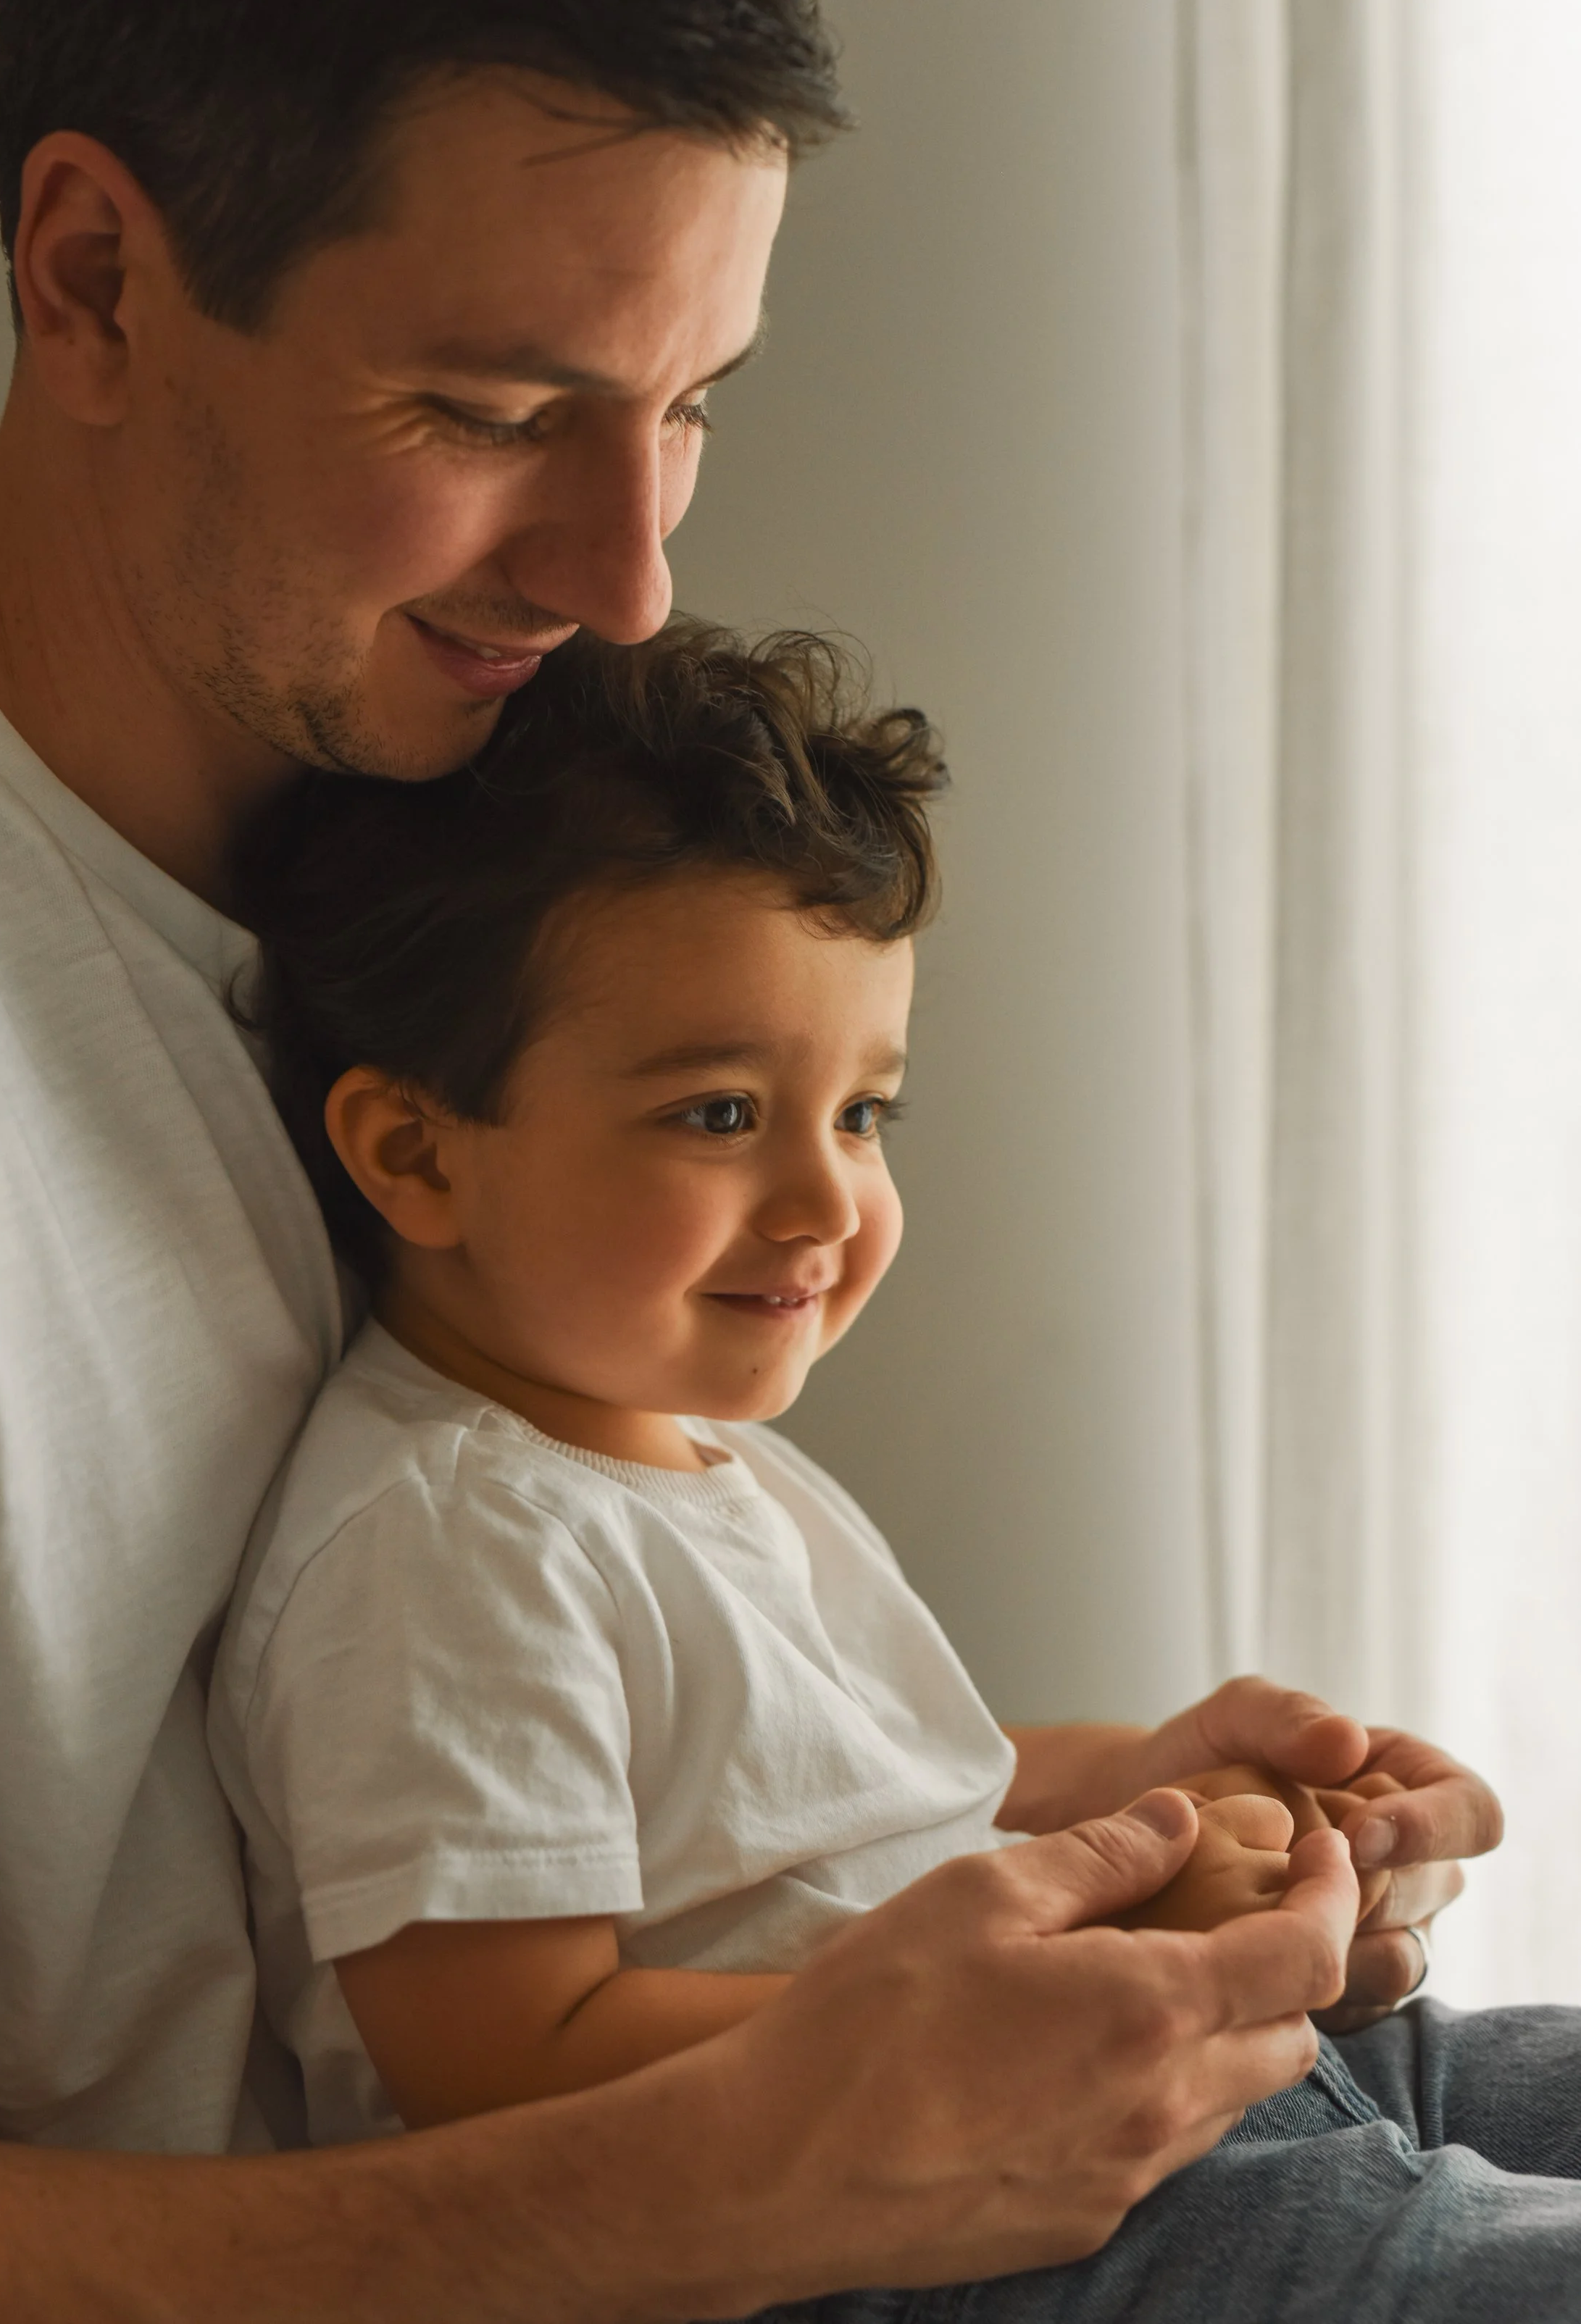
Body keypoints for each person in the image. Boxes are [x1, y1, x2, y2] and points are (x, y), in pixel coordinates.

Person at [0, 0, 1496, 2316]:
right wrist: (746, 2175)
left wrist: (1105, 1829)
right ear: (97, 278)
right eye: (494, 412)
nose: (631, 576)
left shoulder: (457, 867)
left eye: (687, 404)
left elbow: (555, 1734)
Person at [212, 620, 1581, 2320]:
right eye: (720, 1115)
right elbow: (507, 2064)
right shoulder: (447, 1546)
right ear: (416, 1151)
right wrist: (1104, 1948)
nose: (823, 1202)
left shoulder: (678, 1452)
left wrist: (1146, 1789)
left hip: (1120, 2106)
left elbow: (820, 1804)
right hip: (906, 2244)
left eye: (862, 1113)